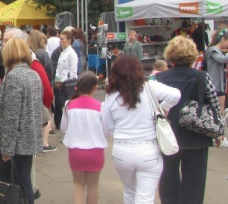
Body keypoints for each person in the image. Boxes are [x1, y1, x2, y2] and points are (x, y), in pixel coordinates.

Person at [102, 54, 180, 204]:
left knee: (129, 192)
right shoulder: (150, 87)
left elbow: (110, 126)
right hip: (148, 150)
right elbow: (176, 95)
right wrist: (163, 109)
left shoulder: (111, 96)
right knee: (145, 196)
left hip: (121, 151)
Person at [157, 36, 223, 204]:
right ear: (192, 55)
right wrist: (218, 131)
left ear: (170, 54)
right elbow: (214, 104)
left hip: (168, 136)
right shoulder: (202, 77)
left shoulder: (160, 78)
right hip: (196, 136)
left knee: (168, 178)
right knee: (195, 182)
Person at [0, 37, 43, 204]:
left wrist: (6, 149)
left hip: (14, 144)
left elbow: (11, 116)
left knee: (9, 186)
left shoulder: (14, 77)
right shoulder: (34, 75)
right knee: (25, 182)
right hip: (28, 141)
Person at [61, 71, 109, 204]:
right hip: (96, 151)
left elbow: (64, 128)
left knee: (78, 185)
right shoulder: (100, 107)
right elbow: (106, 131)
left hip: (76, 151)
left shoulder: (68, 105)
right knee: (93, 186)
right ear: (95, 87)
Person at [54, 30, 78, 129]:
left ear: (69, 40)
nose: (60, 41)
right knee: (62, 106)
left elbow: (73, 71)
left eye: (62, 39)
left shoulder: (72, 53)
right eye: (60, 39)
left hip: (68, 85)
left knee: (68, 106)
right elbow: (58, 69)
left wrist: (63, 82)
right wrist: (57, 80)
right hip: (60, 84)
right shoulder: (62, 52)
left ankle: (71, 127)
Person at [204, 28, 228, 114]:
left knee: (220, 107)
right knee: (219, 109)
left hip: (218, 84)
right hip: (214, 83)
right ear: (223, 39)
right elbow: (221, 59)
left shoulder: (217, 50)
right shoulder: (213, 49)